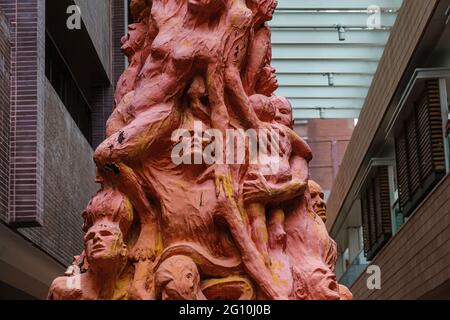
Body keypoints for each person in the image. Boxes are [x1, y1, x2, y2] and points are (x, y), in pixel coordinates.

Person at [48, 188, 132, 300]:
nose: (97, 238)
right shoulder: (63, 288)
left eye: (106, 234)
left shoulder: (132, 290)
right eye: (90, 237)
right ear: (86, 252)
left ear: (123, 250)